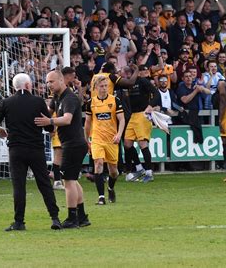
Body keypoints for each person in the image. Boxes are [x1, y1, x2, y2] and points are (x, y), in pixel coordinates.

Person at [0, 73, 61, 231]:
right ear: (28, 85)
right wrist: (47, 125)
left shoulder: (7, 102)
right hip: (35, 148)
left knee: (19, 186)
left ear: (15, 87)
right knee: (44, 184)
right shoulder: (38, 101)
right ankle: (55, 218)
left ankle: (19, 221)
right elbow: (49, 126)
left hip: (16, 149)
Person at [35, 71, 90, 229]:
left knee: (69, 182)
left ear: (61, 80)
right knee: (72, 180)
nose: (49, 85)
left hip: (74, 144)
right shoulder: (57, 97)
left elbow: (67, 119)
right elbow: (47, 110)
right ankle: (82, 216)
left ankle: (72, 218)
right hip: (71, 144)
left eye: (51, 81)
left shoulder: (69, 98)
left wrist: (50, 121)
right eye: (47, 82)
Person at [84, 75, 125, 204]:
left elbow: (122, 119)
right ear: (96, 87)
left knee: (114, 171)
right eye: (101, 86)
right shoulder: (91, 103)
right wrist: (86, 139)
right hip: (97, 138)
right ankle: (101, 197)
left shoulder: (115, 100)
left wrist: (119, 134)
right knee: (98, 164)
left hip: (112, 139)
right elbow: (88, 122)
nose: (104, 88)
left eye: (106, 86)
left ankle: (110, 188)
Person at [123, 66, 161, 183]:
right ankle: (139, 168)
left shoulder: (142, 81)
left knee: (142, 143)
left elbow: (156, 93)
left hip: (142, 114)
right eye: (126, 74)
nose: (127, 76)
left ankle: (149, 172)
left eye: (128, 74)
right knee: (127, 144)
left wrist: (151, 105)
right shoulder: (127, 85)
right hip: (133, 116)